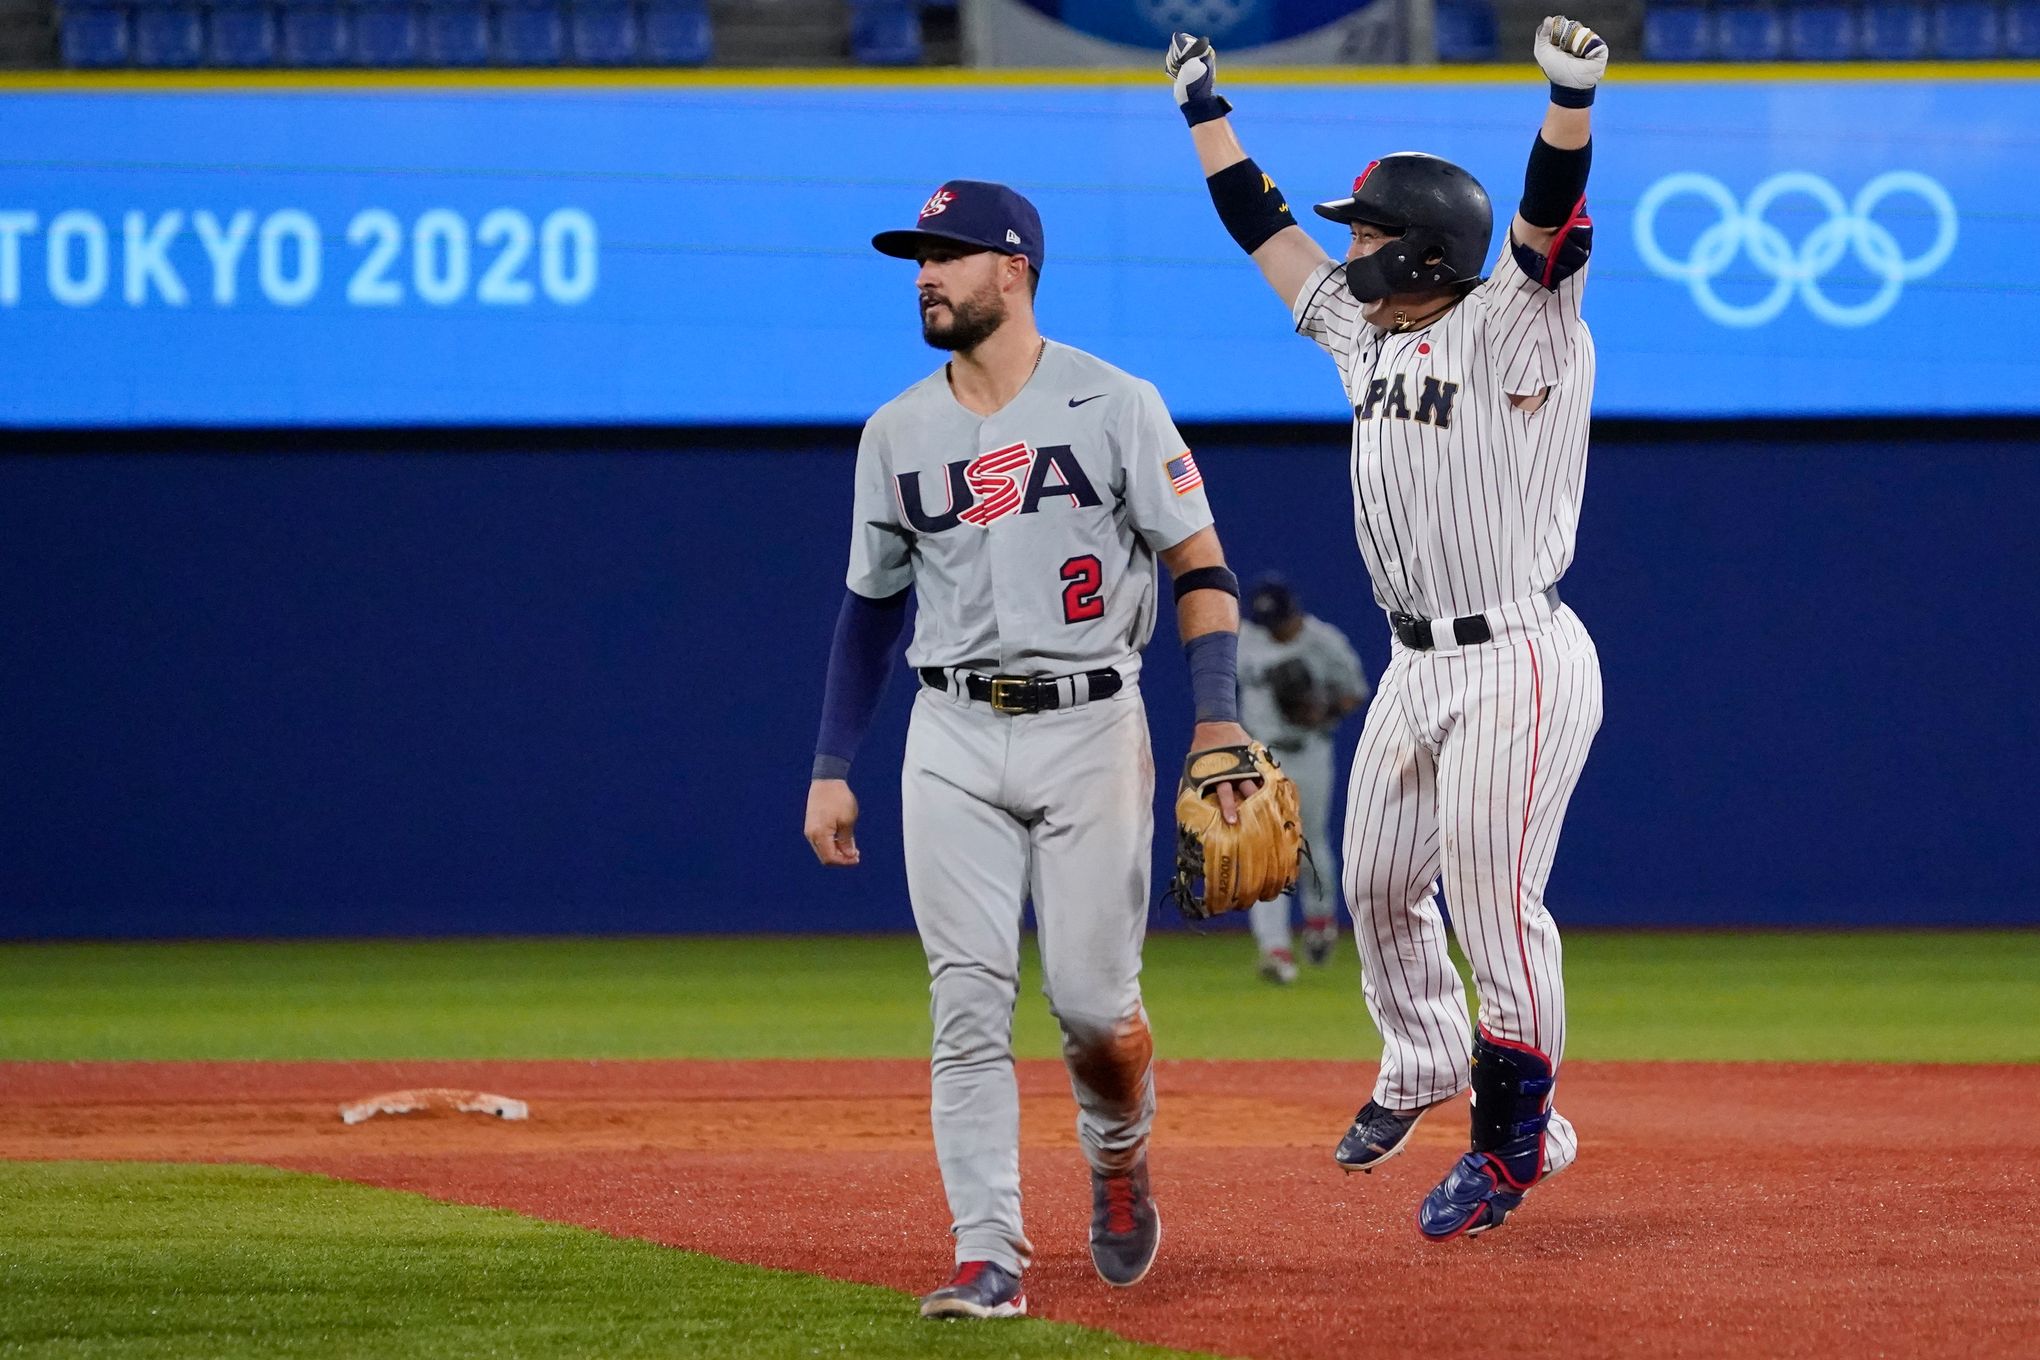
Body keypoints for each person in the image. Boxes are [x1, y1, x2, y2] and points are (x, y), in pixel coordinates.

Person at [1163, 16, 1609, 1239]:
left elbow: (1545, 211)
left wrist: (1568, 95)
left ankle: (1517, 1143)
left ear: (1421, 249)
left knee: (1491, 899)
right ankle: (1422, 1060)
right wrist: (1206, 110)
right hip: (1416, 658)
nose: (1345, 246)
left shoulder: (1519, 321)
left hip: (1516, 651)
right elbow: (1261, 228)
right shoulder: (1368, 331)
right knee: (1372, 879)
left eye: (1365, 229)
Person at [803, 179, 1259, 1316]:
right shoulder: (896, 429)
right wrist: (830, 763)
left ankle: (1117, 1153)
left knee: (1099, 1012)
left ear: (1013, 269)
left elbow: (1201, 567)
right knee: (966, 1005)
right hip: (948, 728)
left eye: (947, 254)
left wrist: (1216, 714)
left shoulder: (1114, 402)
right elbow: (871, 607)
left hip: (1091, 723)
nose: (924, 274)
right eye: (917, 257)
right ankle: (987, 1250)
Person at [1237, 576, 1369, 984]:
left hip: (1309, 750)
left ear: (1294, 612)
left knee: (1310, 843)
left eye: (1277, 621)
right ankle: (1274, 949)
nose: (1271, 629)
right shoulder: (1246, 639)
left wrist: (1324, 711)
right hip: (1261, 753)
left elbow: (1354, 692)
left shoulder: (1323, 642)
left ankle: (1319, 920)